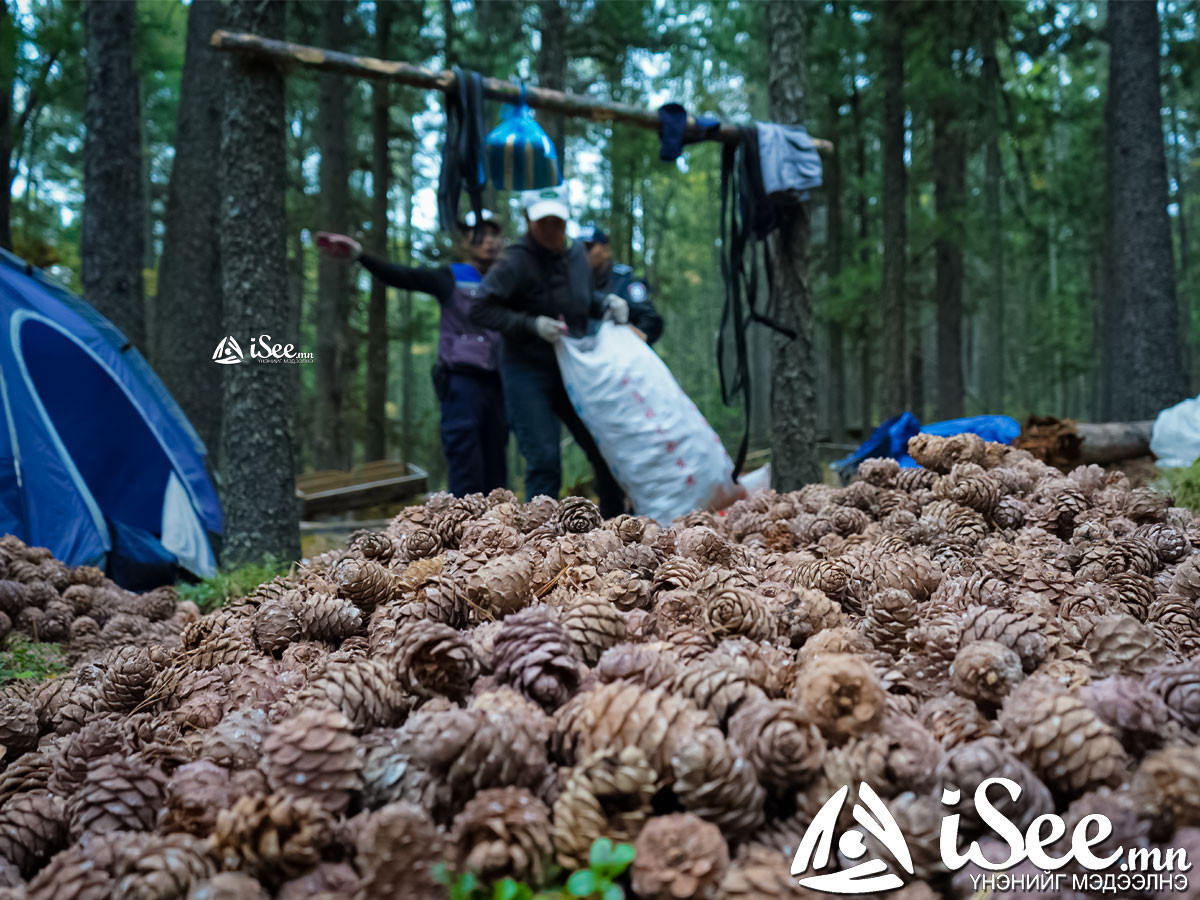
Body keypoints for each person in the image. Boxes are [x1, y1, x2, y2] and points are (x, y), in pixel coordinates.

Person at [315, 212, 507, 497]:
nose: (488, 241)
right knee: (466, 463)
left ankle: (501, 523)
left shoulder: (507, 280)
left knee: (497, 465)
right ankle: (465, 521)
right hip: (461, 383)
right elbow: (404, 276)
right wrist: (360, 256)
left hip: (499, 383)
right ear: (466, 241)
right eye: (480, 234)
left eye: (493, 234)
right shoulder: (451, 277)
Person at [471, 184, 629, 519]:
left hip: (573, 367)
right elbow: (481, 308)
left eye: (557, 221)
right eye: (542, 222)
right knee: (544, 458)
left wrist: (606, 303)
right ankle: (541, 536)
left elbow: (582, 300)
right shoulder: (514, 260)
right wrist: (531, 324)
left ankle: (615, 525)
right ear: (528, 220)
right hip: (526, 369)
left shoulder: (577, 256)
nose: (550, 229)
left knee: (604, 444)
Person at [578, 224, 664, 345]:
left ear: (606, 250)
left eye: (589, 247)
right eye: (580, 248)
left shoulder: (625, 279)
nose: (584, 253)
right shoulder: (577, 281)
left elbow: (651, 321)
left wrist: (627, 332)